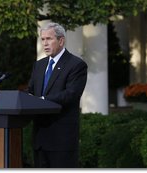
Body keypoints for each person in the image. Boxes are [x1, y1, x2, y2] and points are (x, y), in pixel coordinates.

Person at [28, 22, 88, 168]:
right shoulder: (39, 65)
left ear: (61, 41)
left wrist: (42, 100)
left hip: (62, 140)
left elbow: (71, 94)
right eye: (42, 39)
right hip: (40, 139)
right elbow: (31, 91)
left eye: (49, 39)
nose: (45, 43)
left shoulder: (76, 65)